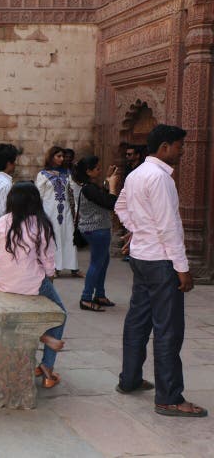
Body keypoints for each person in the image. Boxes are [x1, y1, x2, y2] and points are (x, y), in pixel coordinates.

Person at [114, 125, 207, 418]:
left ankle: (129, 379)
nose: (183, 151)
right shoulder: (160, 179)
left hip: (142, 258)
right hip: (161, 261)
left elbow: (120, 206)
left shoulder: (137, 174)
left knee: (138, 320)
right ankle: (169, 398)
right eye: (180, 146)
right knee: (168, 330)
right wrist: (183, 269)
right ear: (165, 147)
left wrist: (136, 229)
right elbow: (169, 228)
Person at [0, 182, 65, 388]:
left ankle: (42, 338)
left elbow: (0, 250)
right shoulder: (41, 224)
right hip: (32, 283)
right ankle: (48, 367)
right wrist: (49, 276)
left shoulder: (3, 221)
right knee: (60, 314)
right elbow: (48, 259)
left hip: (5, 281)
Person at [74, 156, 120, 312]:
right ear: (88, 171)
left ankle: (99, 294)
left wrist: (107, 180)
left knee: (103, 262)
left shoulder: (89, 187)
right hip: (96, 230)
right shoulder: (88, 188)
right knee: (96, 263)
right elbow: (110, 203)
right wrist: (113, 186)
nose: (99, 171)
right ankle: (86, 298)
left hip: (96, 229)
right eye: (97, 168)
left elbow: (102, 198)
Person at [36, 146, 81, 278]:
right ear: (51, 157)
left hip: (65, 211)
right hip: (49, 211)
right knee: (52, 237)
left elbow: (75, 191)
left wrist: (77, 211)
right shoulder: (43, 175)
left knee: (68, 236)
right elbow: (39, 195)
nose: (62, 159)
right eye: (59, 156)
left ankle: (74, 268)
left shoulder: (67, 173)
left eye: (63, 156)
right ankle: (53, 267)